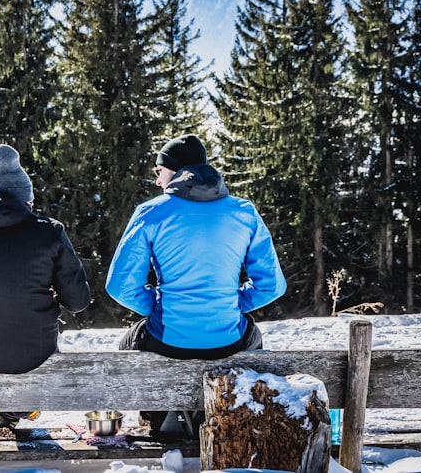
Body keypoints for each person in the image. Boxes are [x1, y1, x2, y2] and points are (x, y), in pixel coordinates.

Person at [105, 134, 286, 436]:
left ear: (175, 172)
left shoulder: (152, 212)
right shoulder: (244, 212)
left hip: (169, 342)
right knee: (252, 333)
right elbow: (271, 286)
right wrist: (230, 302)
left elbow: (120, 286)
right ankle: (231, 410)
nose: (156, 177)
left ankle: (158, 415)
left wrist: (159, 305)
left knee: (131, 341)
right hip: (228, 342)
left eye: (159, 170)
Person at [0, 143, 92, 429]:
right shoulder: (50, 232)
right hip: (39, 349)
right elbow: (78, 301)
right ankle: (20, 407)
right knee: (29, 345)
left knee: (1, 340)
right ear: (27, 200)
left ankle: (8, 411)